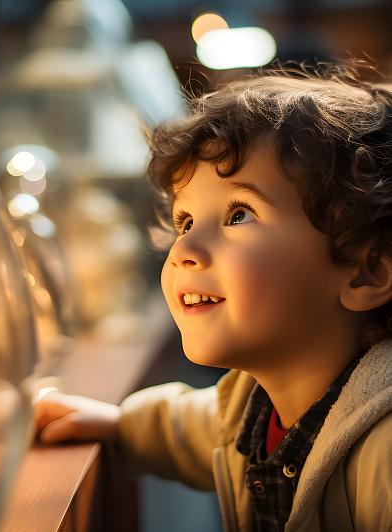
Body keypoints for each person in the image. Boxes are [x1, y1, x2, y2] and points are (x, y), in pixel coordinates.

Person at [34, 64, 392, 532]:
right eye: (184, 222)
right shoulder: (253, 410)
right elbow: (196, 429)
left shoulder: (383, 454)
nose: (184, 251)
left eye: (239, 215)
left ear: (364, 271)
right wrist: (121, 425)